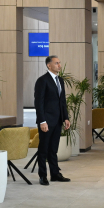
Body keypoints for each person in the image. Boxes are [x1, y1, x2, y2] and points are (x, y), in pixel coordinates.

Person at [33, 55, 71, 185]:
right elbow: (39, 103)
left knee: (53, 149)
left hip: (58, 120)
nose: (59, 65)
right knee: (43, 149)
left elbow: (62, 101)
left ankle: (55, 174)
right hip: (46, 121)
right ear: (49, 65)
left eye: (59, 63)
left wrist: (65, 117)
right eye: (56, 63)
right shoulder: (42, 80)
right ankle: (42, 176)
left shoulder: (60, 80)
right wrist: (42, 121)